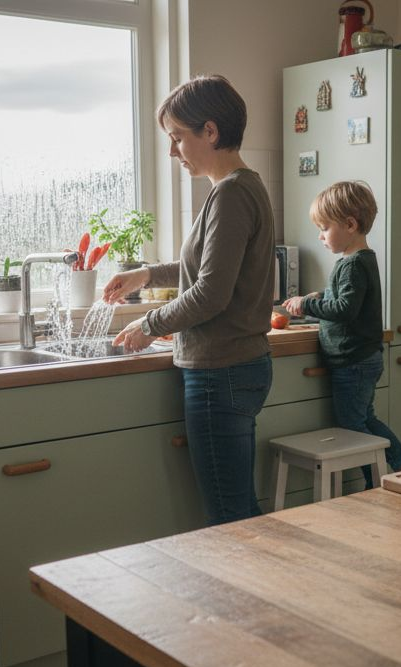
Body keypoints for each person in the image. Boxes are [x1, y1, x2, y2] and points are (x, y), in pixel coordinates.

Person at [104, 74, 275, 528]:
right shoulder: (237, 187)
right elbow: (205, 270)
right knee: (239, 510)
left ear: (210, 131)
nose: (172, 151)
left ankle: (257, 600)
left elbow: (210, 293)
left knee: (231, 516)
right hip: (238, 367)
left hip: (222, 372)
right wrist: (146, 274)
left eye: (177, 137)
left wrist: (149, 325)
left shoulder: (232, 194)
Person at [282, 181, 401, 486]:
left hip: (353, 362)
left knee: (354, 427)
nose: (320, 236)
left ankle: (377, 483)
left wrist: (309, 304)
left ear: (350, 224)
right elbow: (348, 297)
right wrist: (321, 294)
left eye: (324, 228)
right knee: (366, 420)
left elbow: (344, 309)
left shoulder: (352, 265)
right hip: (363, 358)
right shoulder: (361, 260)